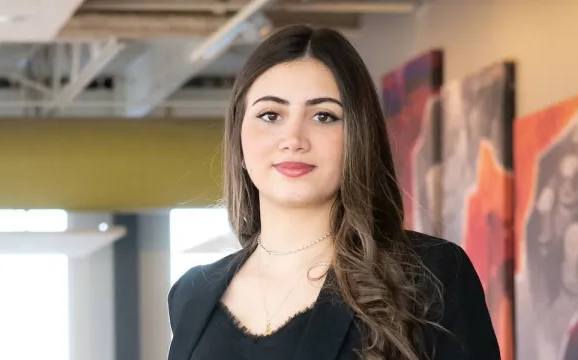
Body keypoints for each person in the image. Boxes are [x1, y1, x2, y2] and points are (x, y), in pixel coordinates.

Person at [166, 25, 500, 360]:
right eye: (271, 115)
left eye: (324, 116)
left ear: (358, 137)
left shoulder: (431, 274)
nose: (293, 138)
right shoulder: (192, 294)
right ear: (238, 138)